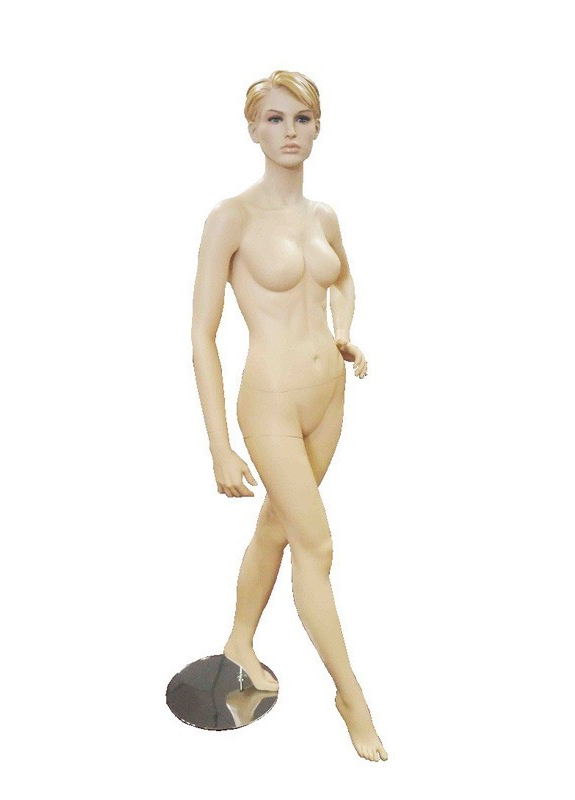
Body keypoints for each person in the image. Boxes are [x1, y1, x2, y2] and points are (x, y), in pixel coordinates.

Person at [191, 70, 387, 762]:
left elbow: (343, 278)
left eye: (301, 119)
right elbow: (202, 335)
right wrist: (219, 445)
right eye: (274, 119)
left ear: (318, 127)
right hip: (270, 400)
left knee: (278, 525)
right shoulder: (232, 218)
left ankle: (240, 640)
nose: (289, 132)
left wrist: (344, 332)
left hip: (329, 395)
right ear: (253, 130)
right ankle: (351, 698)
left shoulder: (323, 216)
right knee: (317, 545)